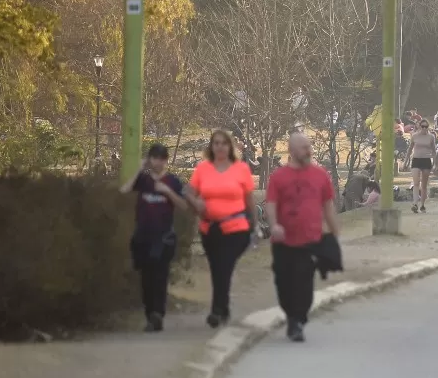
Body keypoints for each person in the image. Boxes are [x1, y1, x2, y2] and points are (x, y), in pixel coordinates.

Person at [264, 132, 341, 343]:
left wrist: (334, 233)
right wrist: (274, 225)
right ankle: (292, 315)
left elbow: (328, 206)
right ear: (291, 151)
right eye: (304, 147)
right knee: (283, 281)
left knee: (304, 281)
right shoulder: (278, 177)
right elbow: (271, 204)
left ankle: (297, 320)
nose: (309, 151)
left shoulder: (320, 175)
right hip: (283, 241)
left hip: (310, 239)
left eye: (309, 147)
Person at [186, 129, 256, 328]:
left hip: (236, 228)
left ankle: (216, 311)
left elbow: (249, 199)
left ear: (230, 146)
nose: (220, 147)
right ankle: (223, 308)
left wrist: (254, 224)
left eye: (224, 143)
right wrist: (196, 203)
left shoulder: (241, 169)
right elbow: (189, 192)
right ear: (211, 146)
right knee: (217, 268)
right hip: (210, 229)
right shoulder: (203, 169)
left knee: (224, 266)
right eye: (216, 143)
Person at [121, 143, 188, 332]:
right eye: (154, 158)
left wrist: (167, 192)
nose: (158, 162)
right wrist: (139, 170)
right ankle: (150, 313)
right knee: (146, 278)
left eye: (161, 158)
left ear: (166, 160)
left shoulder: (172, 181)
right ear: (150, 160)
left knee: (160, 276)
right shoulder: (144, 180)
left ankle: (158, 314)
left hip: (164, 238)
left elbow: (183, 205)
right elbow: (124, 191)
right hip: (143, 236)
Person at [407, 118, 436, 213]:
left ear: (428, 127)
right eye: (422, 126)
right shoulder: (414, 136)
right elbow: (410, 149)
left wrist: (435, 164)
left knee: (424, 185)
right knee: (416, 182)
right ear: (419, 126)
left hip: (426, 160)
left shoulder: (431, 137)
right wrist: (406, 161)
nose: (424, 128)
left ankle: (422, 205)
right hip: (416, 160)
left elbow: (434, 151)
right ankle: (415, 203)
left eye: (426, 127)